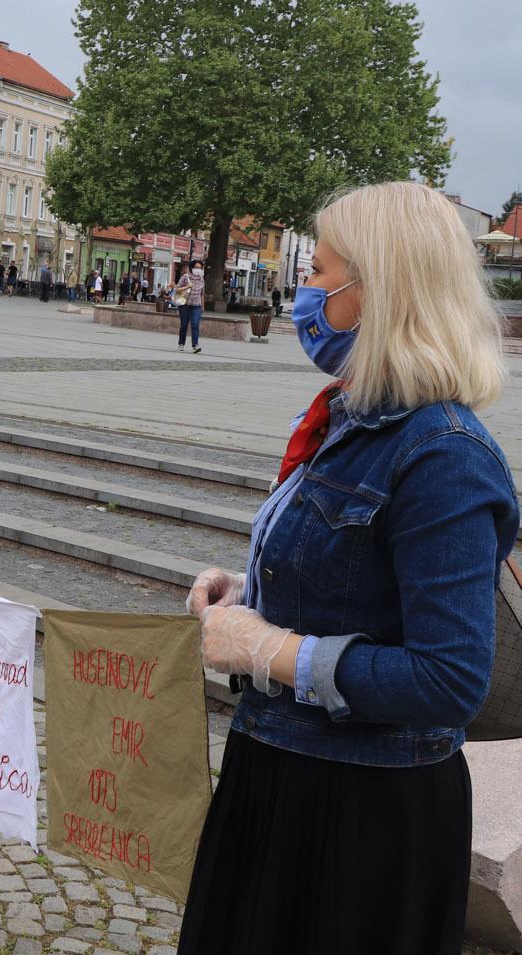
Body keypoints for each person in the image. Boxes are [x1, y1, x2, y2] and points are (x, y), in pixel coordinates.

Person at [179, 181, 515, 955]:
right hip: (283, 770)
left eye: (320, 275)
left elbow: (450, 677)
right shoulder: (346, 415)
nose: (304, 294)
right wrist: (252, 590)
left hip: (361, 808)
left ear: (376, 293)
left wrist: (271, 650)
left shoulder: (445, 456)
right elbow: (350, 575)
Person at [174, 258, 206, 353]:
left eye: (200, 267)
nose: (198, 269)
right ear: (192, 268)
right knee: (184, 325)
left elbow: (202, 294)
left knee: (195, 325)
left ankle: (195, 345)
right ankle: (181, 344)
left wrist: (202, 306)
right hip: (185, 304)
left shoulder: (202, 279)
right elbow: (177, 289)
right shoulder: (185, 277)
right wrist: (188, 286)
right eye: (196, 267)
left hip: (196, 305)